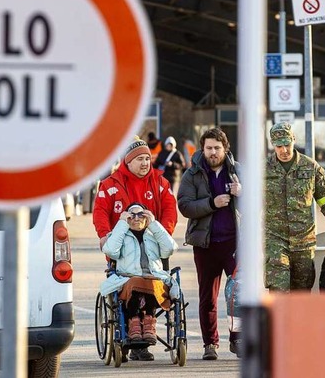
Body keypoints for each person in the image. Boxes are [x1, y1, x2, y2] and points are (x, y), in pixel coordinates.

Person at [93, 137, 177, 361]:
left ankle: (142, 341)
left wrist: (162, 233)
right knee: (128, 286)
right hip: (122, 250)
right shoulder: (111, 185)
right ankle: (128, 334)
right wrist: (104, 235)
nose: (145, 163)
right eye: (140, 159)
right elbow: (100, 211)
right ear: (128, 161)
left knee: (150, 282)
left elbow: (170, 209)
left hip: (151, 248)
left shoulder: (159, 182)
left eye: (147, 159)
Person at [177, 127, 242, 360]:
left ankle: (238, 339)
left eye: (217, 148)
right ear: (202, 150)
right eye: (209, 148)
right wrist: (212, 203)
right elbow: (185, 205)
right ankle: (210, 344)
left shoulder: (238, 172)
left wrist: (242, 193)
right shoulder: (192, 174)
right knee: (208, 297)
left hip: (234, 244)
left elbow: (258, 203)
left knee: (238, 294)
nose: (213, 152)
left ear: (225, 149)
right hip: (205, 245)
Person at [264, 122, 325, 292]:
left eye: (287, 144)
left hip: (303, 241)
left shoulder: (311, 168)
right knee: (278, 290)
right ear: (273, 145)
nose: (284, 150)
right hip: (275, 239)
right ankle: (279, 320)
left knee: (301, 293)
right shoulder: (263, 170)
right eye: (279, 146)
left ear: (293, 140)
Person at [100, 203, 179, 356]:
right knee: (136, 281)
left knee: (152, 281)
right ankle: (134, 323)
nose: (136, 218)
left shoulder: (153, 234)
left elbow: (170, 249)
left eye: (141, 214)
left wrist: (154, 224)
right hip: (128, 280)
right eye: (131, 215)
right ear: (126, 218)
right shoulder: (120, 234)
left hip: (154, 278)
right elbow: (110, 251)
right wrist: (122, 224)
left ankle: (149, 322)